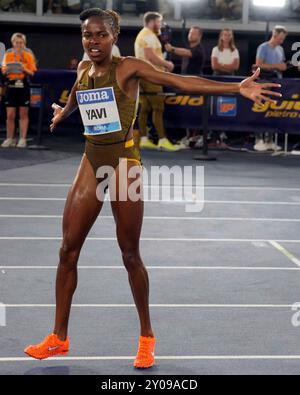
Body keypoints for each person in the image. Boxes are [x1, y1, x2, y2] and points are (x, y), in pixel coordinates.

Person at [23, 8, 281, 369]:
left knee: (129, 254)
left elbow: (183, 83)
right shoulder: (83, 69)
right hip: (91, 159)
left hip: (124, 163)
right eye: (87, 35)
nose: (92, 42)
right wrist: (63, 112)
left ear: (114, 36)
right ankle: (58, 338)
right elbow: (78, 96)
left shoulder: (129, 68)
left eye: (99, 35)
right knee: (67, 249)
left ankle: (146, 336)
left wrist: (235, 87)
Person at [134, 11, 180, 151]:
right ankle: (162, 140)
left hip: (145, 75)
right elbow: (150, 57)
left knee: (146, 108)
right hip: (151, 77)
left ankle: (143, 139)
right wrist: (167, 65)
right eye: (158, 22)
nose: (160, 25)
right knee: (158, 108)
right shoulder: (147, 35)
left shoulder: (145, 34)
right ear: (152, 22)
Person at [165, 26, 205, 148]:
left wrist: (172, 49)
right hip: (186, 83)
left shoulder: (199, 49)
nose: (190, 35)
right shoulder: (189, 47)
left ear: (199, 36)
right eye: (190, 33)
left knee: (194, 111)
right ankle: (189, 137)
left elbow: (187, 53)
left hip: (195, 85)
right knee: (188, 111)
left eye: (194, 33)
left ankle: (194, 137)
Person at [254, 25, 288, 152]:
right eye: (280, 38)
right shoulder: (263, 47)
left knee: (272, 110)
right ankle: (258, 140)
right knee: (261, 108)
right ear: (274, 35)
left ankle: (269, 140)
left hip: (277, 81)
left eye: (283, 39)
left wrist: (283, 67)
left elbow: (282, 65)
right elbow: (258, 65)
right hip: (264, 81)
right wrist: (277, 66)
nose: (281, 41)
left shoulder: (281, 49)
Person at [1, 32, 37, 149]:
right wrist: (7, 70)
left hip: (23, 85)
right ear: (13, 43)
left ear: (24, 43)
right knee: (10, 114)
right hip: (11, 86)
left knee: (23, 114)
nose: (19, 45)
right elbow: (3, 70)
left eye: (21, 43)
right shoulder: (8, 54)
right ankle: (9, 138)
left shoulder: (29, 54)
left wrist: (23, 68)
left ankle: (22, 139)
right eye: (16, 42)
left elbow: (32, 72)